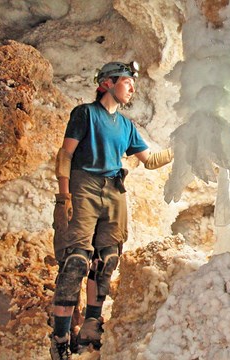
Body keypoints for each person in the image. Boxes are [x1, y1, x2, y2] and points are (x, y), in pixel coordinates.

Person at [50, 61, 173, 359]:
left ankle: (91, 324)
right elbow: (66, 154)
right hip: (85, 184)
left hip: (115, 190)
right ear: (107, 83)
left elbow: (152, 160)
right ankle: (60, 338)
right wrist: (64, 196)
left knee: (107, 258)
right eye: (127, 81)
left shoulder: (127, 126)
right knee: (76, 260)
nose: (133, 87)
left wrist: (185, 146)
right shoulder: (86, 114)